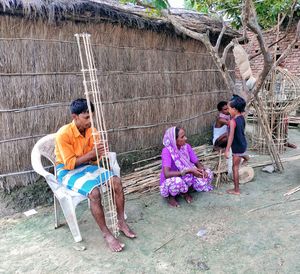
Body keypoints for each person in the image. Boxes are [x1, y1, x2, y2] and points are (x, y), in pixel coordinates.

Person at [55, 98, 136, 252]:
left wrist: (98, 153)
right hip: (66, 171)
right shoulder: (63, 134)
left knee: (116, 182)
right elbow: (70, 164)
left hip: (86, 166)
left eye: (92, 116)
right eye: (86, 117)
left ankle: (121, 222)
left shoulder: (93, 131)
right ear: (74, 117)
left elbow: (94, 158)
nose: (90, 121)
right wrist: (93, 153)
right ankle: (107, 234)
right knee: (95, 192)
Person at [160, 126, 213, 207]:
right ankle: (171, 197)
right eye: (182, 137)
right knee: (177, 182)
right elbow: (167, 174)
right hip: (172, 179)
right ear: (174, 140)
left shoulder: (186, 146)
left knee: (208, 173)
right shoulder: (166, 151)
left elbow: (197, 163)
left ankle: (184, 192)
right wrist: (190, 171)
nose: (185, 138)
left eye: (184, 136)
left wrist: (203, 171)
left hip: (186, 175)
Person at [225, 95, 249, 195]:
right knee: (240, 155)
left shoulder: (232, 121)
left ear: (234, 109)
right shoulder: (241, 117)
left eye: (229, 108)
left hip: (237, 146)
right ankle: (246, 158)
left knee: (234, 168)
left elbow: (230, 137)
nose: (228, 110)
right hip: (243, 143)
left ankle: (236, 190)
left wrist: (227, 150)